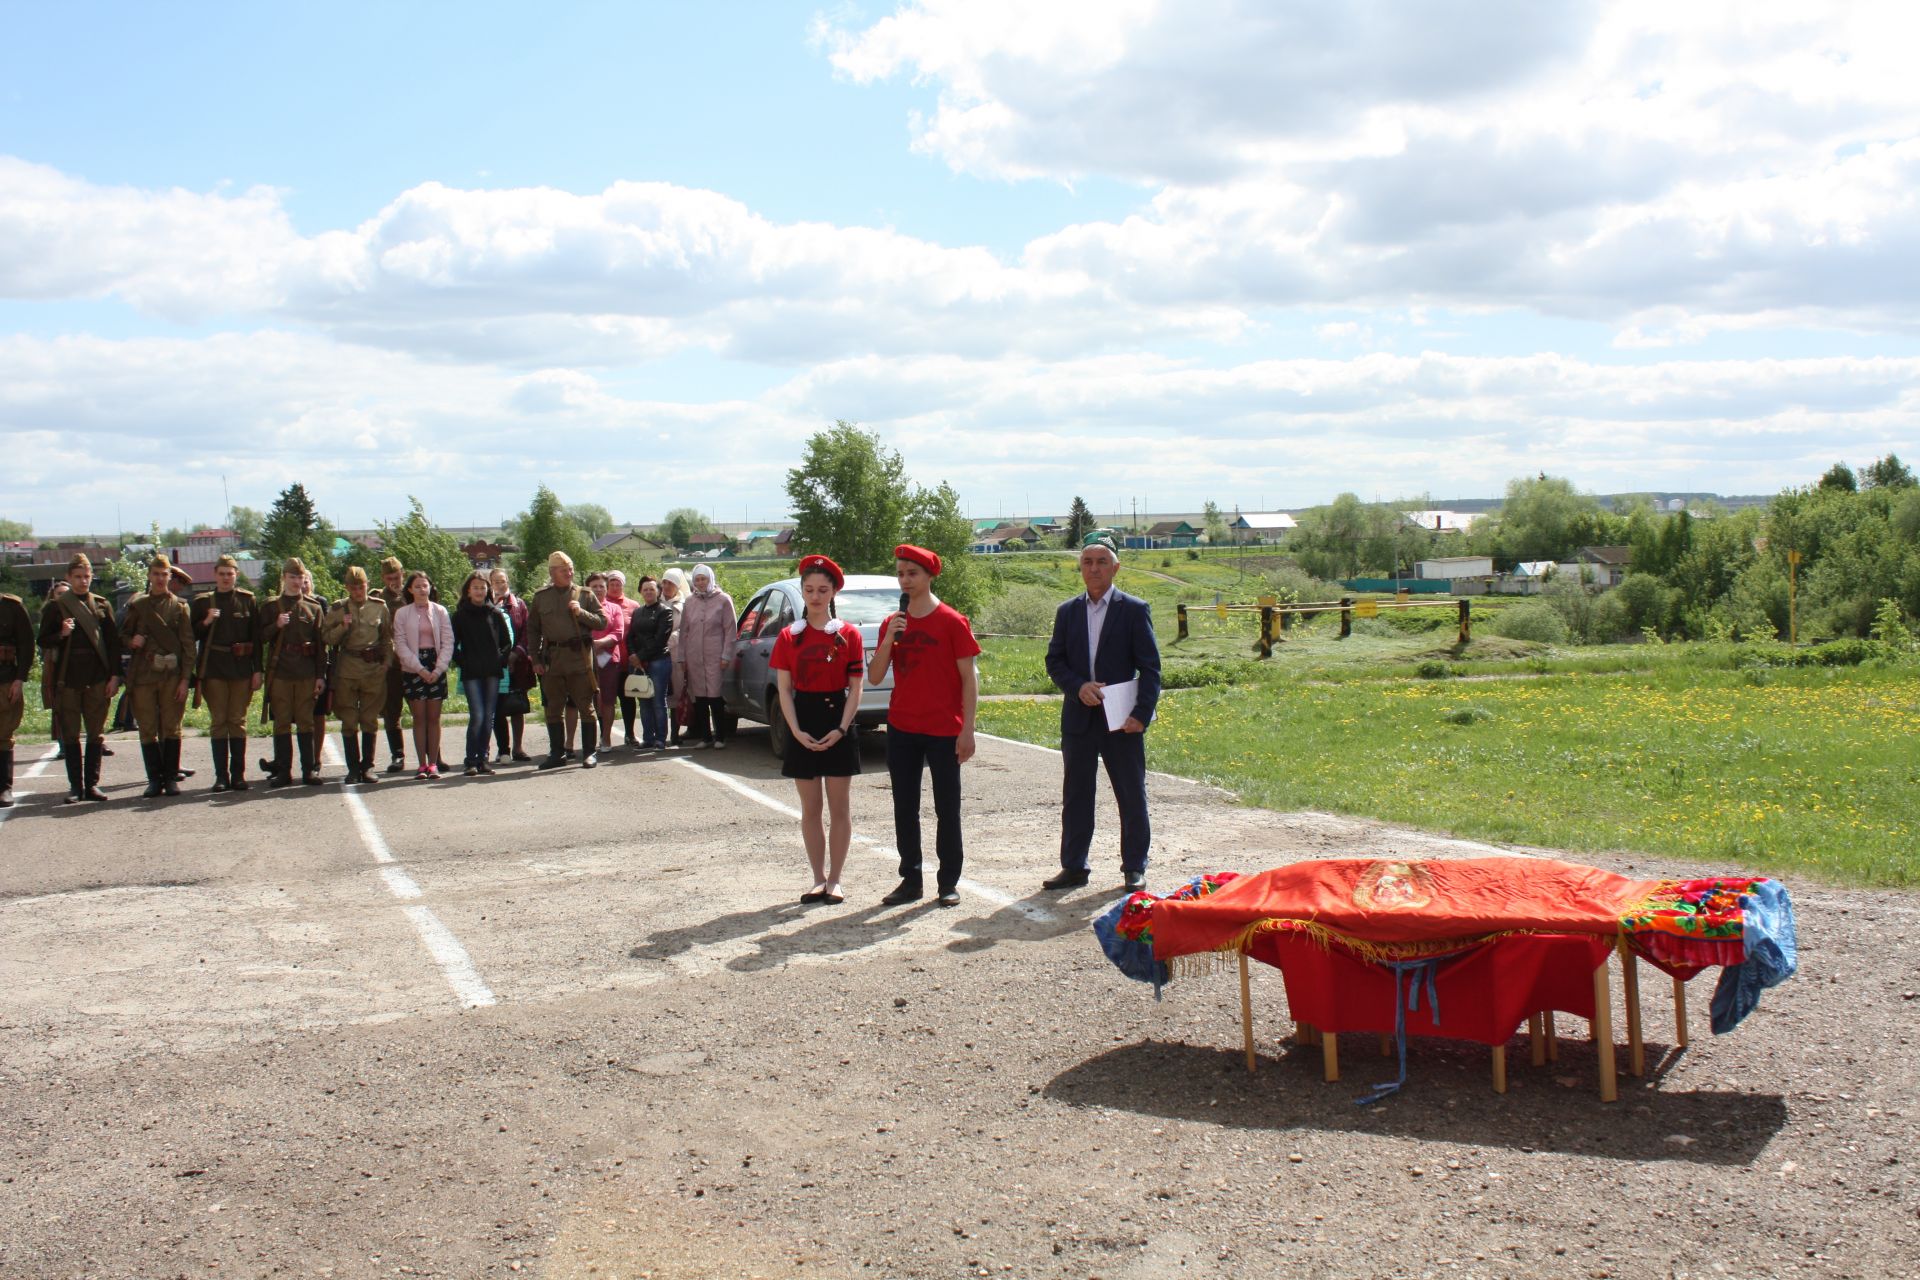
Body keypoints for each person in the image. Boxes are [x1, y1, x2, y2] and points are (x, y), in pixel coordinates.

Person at [1041, 534, 1162, 892]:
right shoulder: (1068, 611)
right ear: (1080, 568)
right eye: (1087, 562)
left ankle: (1134, 867)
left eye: (1101, 562)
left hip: (1122, 722)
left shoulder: (1134, 609)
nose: (1093, 569)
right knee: (1076, 795)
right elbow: (1055, 661)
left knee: (1130, 793)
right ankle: (1074, 866)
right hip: (1079, 719)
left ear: (1116, 567)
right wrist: (1078, 686)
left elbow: (1151, 669)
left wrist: (1141, 714)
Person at [866, 544, 980, 907]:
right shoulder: (891, 622)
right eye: (900, 573)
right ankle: (910, 879)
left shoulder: (952, 621)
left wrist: (968, 729)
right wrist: (887, 640)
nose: (905, 580)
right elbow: (876, 674)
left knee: (948, 807)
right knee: (905, 806)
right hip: (903, 727)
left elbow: (969, 679)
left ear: (929, 576)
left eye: (912, 573)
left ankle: (948, 882)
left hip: (945, 728)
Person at [772, 555, 864, 905]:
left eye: (822, 589)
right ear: (802, 591)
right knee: (810, 809)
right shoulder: (787, 637)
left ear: (833, 592)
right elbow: (783, 689)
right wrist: (795, 731)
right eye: (809, 589)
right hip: (803, 720)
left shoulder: (849, 634)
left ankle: (836, 880)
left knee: (839, 807)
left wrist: (842, 728)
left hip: (837, 720)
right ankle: (817, 878)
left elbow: (856, 688)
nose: (815, 596)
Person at [38, 553, 123, 803]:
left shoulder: (101, 604)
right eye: (78, 577)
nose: (83, 581)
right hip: (68, 678)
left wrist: (115, 676)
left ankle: (92, 785)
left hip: (97, 677)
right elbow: (42, 640)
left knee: (96, 734)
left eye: (86, 576)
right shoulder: (57, 606)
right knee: (72, 734)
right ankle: (76, 787)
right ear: (69, 577)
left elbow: (112, 644)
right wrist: (61, 634)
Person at [524, 550, 607, 769]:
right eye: (564, 570)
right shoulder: (541, 597)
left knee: (585, 706)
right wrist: (535, 658)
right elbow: (532, 629)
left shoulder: (585, 594)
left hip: (579, 658)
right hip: (553, 659)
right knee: (553, 707)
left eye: (570, 569)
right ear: (552, 572)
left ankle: (589, 753)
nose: (569, 573)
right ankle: (557, 753)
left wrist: (582, 614)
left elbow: (602, 622)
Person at [121, 554, 195, 798]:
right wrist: (132, 641)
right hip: (144, 676)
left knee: (172, 728)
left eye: (164, 575)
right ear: (149, 576)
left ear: (169, 577)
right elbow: (122, 636)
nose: (160, 579)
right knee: (148, 729)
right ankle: (154, 779)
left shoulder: (180, 606)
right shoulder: (138, 606)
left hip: (172, 677)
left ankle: (171, 778)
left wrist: (185, 679)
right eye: (156, 574)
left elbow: (187, 647)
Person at [191, 554, 260, 792]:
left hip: (241, 668)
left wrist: (257, 670)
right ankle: (221, 776)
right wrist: (206, 621)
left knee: (238, 722)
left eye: (230, 574)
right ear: (215, 575)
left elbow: (257, 639)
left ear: (236, 575)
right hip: (214, 669)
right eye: (222, 574)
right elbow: (191, 635)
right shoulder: (202, 602)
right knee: (219, 722)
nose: (226, 578)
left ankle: (239, 775)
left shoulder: (247, 600)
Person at [320, 565, 393, 785]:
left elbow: (387, 638)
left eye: (360, 587)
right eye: (353, 588)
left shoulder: (379, 607)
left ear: (367, 585)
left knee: (369, 720)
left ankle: (368, 767)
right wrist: (342, 626)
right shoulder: (338, 608)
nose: (357, 591)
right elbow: (326, 638)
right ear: (347, 587)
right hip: (347, 670)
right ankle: (353, 768)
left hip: (373, 670)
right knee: (349, 721)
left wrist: (387, 663)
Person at [259, 557, 328, 787]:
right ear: (284, 578)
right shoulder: (271, 607)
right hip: (281, 674)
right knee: (281, 723)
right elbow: (259, 638)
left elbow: (321, 647)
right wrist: (275, 626)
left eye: (300, 577)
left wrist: (320, 675)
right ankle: (283, 772)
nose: (297, 581)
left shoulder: (313, 607)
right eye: (292, 577)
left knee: (306, 722)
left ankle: (308, 770)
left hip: (306, 672)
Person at [451, 571, 512, 776]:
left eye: (482, 587)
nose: (479, 591)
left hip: (492, 672)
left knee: (489, 716)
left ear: (488, 589)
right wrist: (463, 662)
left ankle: (483, 758)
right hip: (471, 673)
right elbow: (451, 645)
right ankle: (471, 759)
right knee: (477, 715)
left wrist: (499, 661)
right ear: (468, 590)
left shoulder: (494, 613)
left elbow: (506, 643)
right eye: (475, 587)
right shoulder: (460, 615)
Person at [392, 570, 452, 779]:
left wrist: (437, 669)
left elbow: (448, 641)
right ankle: (421, 765)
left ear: (430, 587)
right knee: (419, 718)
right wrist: (419, 669)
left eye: (424, 585)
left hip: (436, 666)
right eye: (417, 586)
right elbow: (400, 644)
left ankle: (434, 764)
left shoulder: (440, 611)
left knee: (434, 718)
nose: (421, 589)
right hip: (413, 667)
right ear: (410, 589)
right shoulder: (402, 613)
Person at [677, 563, 734, 749]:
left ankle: (720, 736)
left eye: (704, 579)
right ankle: (705, 736)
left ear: (711, 579)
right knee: (699, 697)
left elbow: (730, 630)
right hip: (694, 656)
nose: (700, 583)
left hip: (715, 655)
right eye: (697, 579)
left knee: (715, 696)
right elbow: (684, 631)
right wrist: (682, 657)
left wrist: (726, 655)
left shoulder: (723, 600)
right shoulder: (690, 601)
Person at [623, 576, 674, 750]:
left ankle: (660, 739)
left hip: (659, 661)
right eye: (645, 589)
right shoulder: (637, 612)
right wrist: (632, 655)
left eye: (652, 589)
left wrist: (640, 656)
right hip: (639, 663)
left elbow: (660, 640)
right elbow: (630, 637)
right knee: (643, 701)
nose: (648, 592)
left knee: (658, 701)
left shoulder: (665, 611)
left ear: (659, 591)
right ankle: (648, 738)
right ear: (640, 592)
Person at [489, 567, 533, 762]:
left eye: (503, 581)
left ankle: (518, 747)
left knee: (517, 706)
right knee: (498, 707)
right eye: (496, 581)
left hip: (518, 663)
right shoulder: (487, 605)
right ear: (491, 584)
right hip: (495, 665)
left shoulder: (519, 604)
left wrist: (516, 655)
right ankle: (503, 749)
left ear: (508, 581)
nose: (500, 585)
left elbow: (526, 632)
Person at [0, 586, 36, 807]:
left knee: (3, 734)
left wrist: (19, 679)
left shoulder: (11, 607)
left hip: (6, 678)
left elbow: (26, 644)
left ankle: (4, 788)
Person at [600, 570, 642, 747]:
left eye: (618, 584)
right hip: (606, 660)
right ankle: (604, 735)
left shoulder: (633, 605)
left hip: (627, 660)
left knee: (628, 698)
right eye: (612, 584)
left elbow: (637, 632)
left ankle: (630, 733)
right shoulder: (601, 604)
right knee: (605, 699)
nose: (615, 587)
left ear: (623, 585)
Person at [376, 557, 410, 774]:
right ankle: (398, 755)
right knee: (392, 712)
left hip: (415, 662)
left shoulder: (413, 594)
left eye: (397, 577)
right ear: (383, 578)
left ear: (402, 574)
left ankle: (434, 755)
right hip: (392, 665)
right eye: (389, 578)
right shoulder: (378, 600)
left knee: (424, 711)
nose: (394, 582)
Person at [660, 567, 691, 746]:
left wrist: (667, 639)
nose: (666, 586)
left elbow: (685, 629)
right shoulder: (656, 603)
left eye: (670, 583)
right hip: (658, 655)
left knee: (677, 694)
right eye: (664, 582)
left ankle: (675, 732)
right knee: (660, 694)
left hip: (676, 654)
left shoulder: (685, 604)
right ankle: (660, 734)